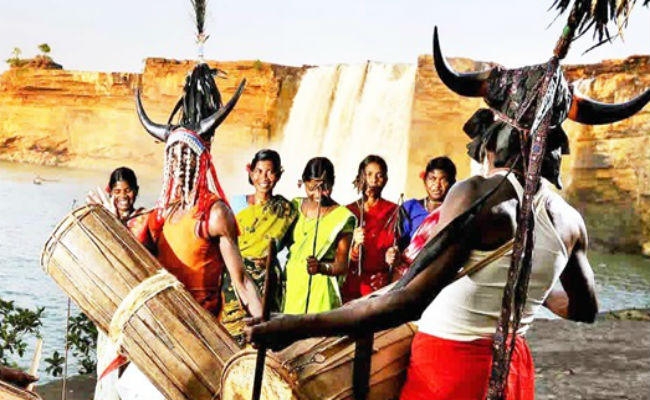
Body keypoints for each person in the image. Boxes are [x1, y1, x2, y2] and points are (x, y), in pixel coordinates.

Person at [220, 149, 297, 346]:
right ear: (251, 173)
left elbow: (292, 243)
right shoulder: (235, 204)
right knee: (234, 330)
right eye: (259, 171)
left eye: (270, 172)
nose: (264, 178)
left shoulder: (286, 210)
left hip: (267, 278)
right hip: (235, 276)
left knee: (263, 334)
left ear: (278, 175)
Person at [86, 167, 151, 400]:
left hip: (137, 307)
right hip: (110, 305)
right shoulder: (103, 219)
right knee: (108, 364)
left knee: (135, 367)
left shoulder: (145, 219)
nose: (123, 196)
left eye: (128, 190)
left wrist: (116, 223)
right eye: (117, 191)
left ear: (136, 191)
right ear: (110, 192)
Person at [283, 157, 355, 314]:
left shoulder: (343, 217)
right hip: (292, 287)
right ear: (303, 182)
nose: (319, 194)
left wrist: (321, 267)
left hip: (322, 292)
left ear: (333, 183)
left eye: (324, 188)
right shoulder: (294, 206)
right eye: (312, 188)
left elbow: (342, 266)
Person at [385, 157, 457, 279]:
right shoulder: (409, 208)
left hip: (439, 275)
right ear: (425, 180)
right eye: (432, 179)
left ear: (452, 183)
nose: (436, 185)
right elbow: (397, 243)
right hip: (406, 276)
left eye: (443, 180)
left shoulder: (455, 210)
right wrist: (392, 254)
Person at [342, 155, 398, 302]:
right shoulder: (349, 211)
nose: (373, 180)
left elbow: (400, 246)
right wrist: (354, 246)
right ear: (360, 178)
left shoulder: (394, 211)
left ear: (385, 180)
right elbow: (340, 256)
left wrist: (394, 256)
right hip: (352, 284)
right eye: (369, 174)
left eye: (379, 175)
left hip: (381, 285)